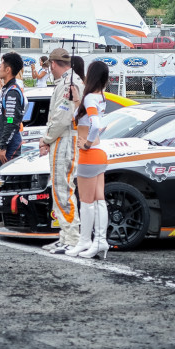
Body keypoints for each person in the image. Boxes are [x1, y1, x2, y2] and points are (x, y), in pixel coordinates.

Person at [38, 49, 85, 254]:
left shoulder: (69, 83)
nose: (50, 70)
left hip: (65, 139)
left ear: (54, 64)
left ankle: (72, 237)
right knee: (60, 190)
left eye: (50, 66)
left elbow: (62, 116)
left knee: (63, 189)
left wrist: (46, 138)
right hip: (63, 138)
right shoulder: (69, 81)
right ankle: (65, 236)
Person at [68, 61, 112, 259]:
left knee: (86, 202)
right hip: (99, 152)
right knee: (98, 200)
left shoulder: (90, 99)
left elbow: (94, 124)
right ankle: (99, 242)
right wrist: (78, 100)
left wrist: (86, 144)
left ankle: (87, 240)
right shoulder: (99, 97)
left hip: (89, 153)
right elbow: (89, 118)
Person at [0, 52, 26, 165]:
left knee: (7, 180)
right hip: (4, 140)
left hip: (10, 143)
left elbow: (11, 120)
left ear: (8, 70)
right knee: (1, 178)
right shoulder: (6, 89)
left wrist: (3, 146)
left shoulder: (12, 91)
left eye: (0, 66)